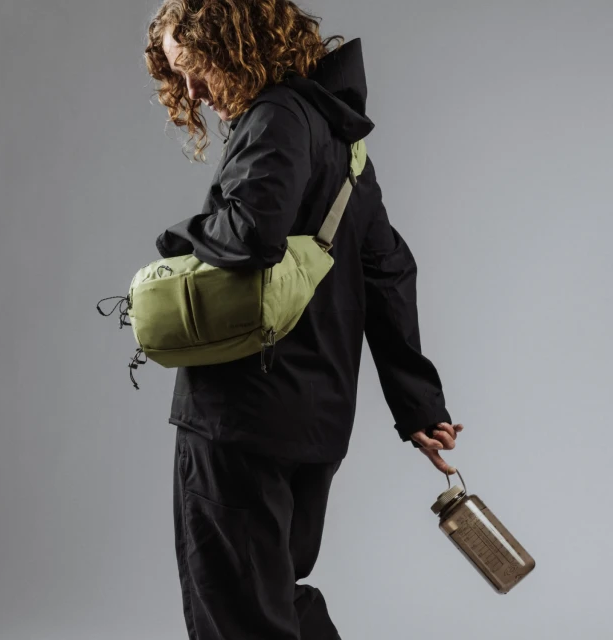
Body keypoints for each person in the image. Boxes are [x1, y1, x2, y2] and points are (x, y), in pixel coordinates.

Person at [144, 1, 464, 638]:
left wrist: (175, 240)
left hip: (240, 419)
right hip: (314, 422)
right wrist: (419, 406)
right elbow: (388, 270)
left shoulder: (276, 117)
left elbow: (251, 231)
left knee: (239, 613)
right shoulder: (342, 138)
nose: (192, 90)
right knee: (272, 601)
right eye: (179, 76)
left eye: (194, 66)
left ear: (232, 46)